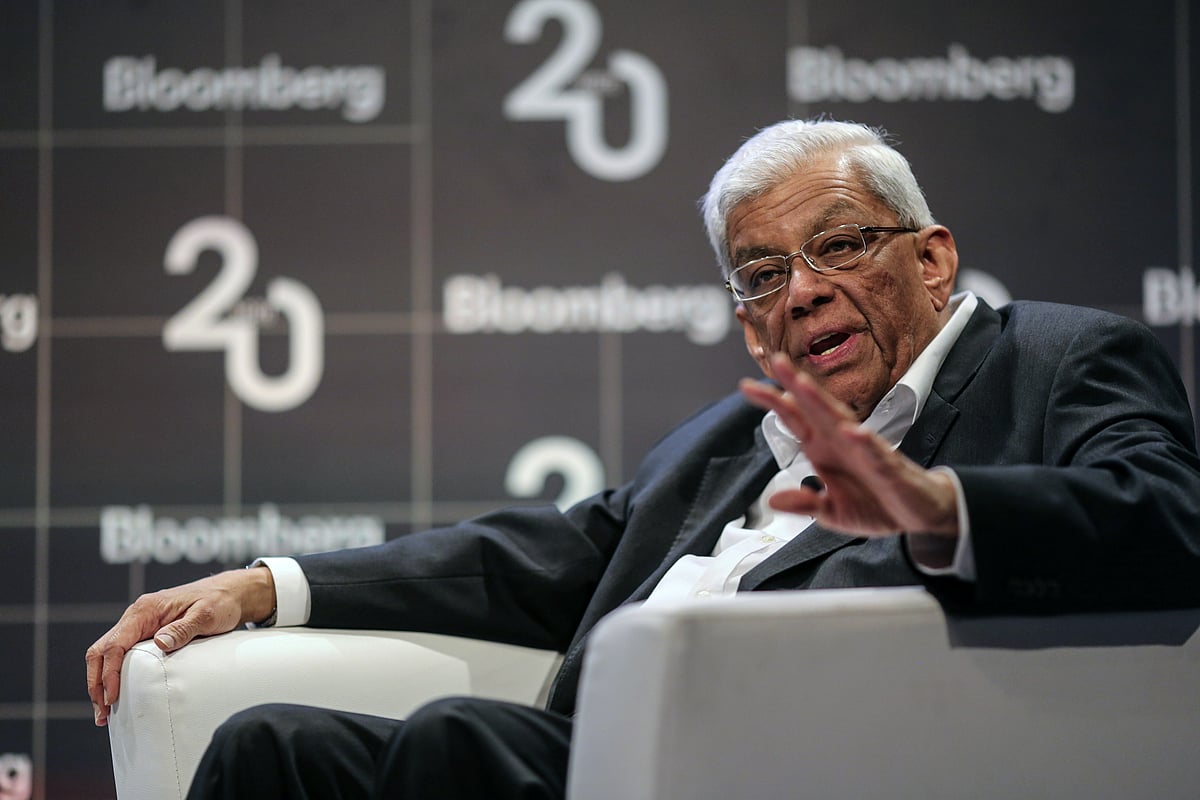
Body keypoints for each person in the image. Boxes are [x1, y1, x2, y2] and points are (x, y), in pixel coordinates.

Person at [87, 119, 1200, 799]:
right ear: (749, 321)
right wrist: (268, 586)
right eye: (764, 275)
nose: (804, 290)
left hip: (801, 766)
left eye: (840, 245)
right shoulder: (728, 440)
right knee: (268, 748)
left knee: (455, 745)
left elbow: (1167, 521)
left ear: (934, 257)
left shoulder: (1056, 358)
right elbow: (540, 556)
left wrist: (935, 505)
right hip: (602, 759)